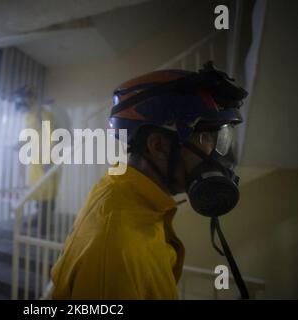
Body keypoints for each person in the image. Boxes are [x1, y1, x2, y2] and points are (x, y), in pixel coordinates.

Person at [50, 61, 248, 299]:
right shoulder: (116, 252)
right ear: (158, 146)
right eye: (207, 138)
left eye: (222, 139)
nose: (219, 154)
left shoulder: (126, 191)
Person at [14, 86, 59, 235]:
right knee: (37, 189)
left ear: (30, 98)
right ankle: (38, 218)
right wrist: (20, 143)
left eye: (24, 98)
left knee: (47, 192)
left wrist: (49, 159)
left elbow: (51, 134)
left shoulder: (43, 113)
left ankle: (46, 225)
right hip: (36, 158)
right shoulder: (28, 115)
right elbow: (29, 134)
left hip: (47, 157)